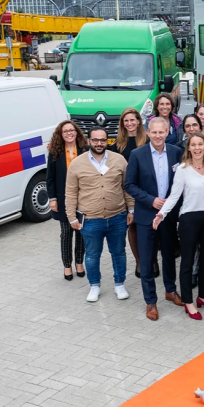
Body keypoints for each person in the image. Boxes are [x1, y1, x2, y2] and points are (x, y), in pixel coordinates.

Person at [153, 133, 204, 320]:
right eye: (194, 145)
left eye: (201, 144)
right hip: (189, 218)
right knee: (188, 261)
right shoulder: (182, 169)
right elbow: (174, 196)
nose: (197, 148)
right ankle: (189, 302)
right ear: (188, 148)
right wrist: (161, 214)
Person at [65, 126, 135, 303]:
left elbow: (127, 187)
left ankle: (119, 284)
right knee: (92, 255)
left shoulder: (119, 160)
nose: (99, 143)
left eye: (102, 140)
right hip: (90, 219)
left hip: (117, 216)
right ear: (89, 141)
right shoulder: (77, 164)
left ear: (108, 141)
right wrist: (71, 217)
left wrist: (131, 209)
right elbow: (71, 192)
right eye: (95, 140)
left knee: (118, 252)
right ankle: (94, 285)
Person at [124, 118, 182, 320]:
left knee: (169, 255)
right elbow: (129, 185)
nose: (158, 136)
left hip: (168, 216)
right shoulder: (137, 155)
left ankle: (170, 290)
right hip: (146, 215)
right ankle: (150, 301)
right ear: (148, 133)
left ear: (167, 132)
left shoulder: (176, 152)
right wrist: (151, 200)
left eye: (162, 132)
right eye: (154, 132)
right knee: (147, 260)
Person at [46, 120, 87, 281]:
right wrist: (52, 198)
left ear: (77, 132)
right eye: (65, 131)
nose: (69, 133)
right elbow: (50, 178)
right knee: (66, 233)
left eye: (72, 130)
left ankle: (79, 263)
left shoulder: (85, 150)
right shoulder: (55, 152)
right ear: (60, 135)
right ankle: (67, 266)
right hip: (63, 199)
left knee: (81, 232)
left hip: (82, 198)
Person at [112, 108, 147, 276]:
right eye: (126, 121)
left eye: (132, 120)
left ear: (139, 121)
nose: (130, 123)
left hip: (146, 189)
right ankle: (139, 261)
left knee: (148, 227)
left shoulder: (147, 140)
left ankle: (151, 261)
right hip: (127, 190)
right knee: (132, 225)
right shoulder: (118, 144)